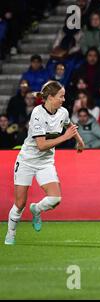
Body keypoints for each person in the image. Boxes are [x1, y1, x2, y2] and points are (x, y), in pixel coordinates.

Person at [4, 81, 85, 245]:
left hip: (46, 162)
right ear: (50, 97)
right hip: (27, 160)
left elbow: (69, 125)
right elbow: (41, 146)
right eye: (61, 96)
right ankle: (10, 234)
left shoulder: (62, 112)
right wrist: (66, 137)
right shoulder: (37, 114)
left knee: (55, 199)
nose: (63, 99)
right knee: (20, 204)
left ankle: (37, 209)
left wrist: (79, 140)